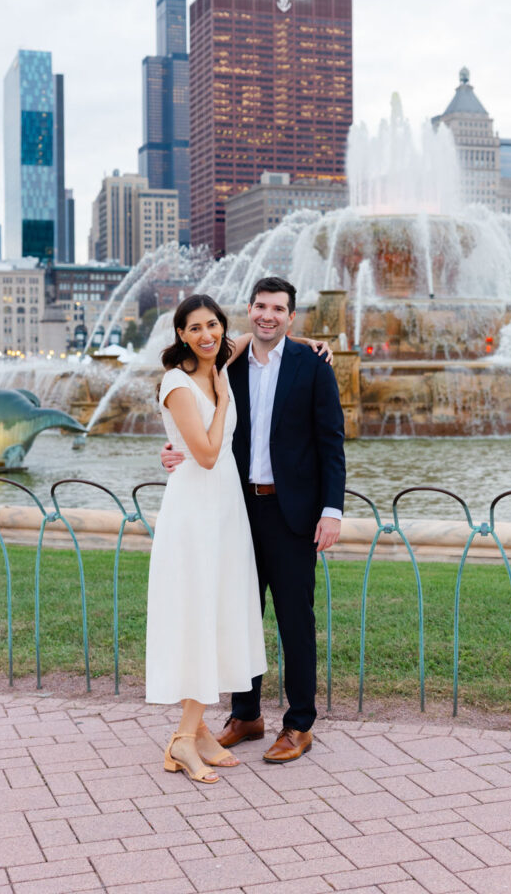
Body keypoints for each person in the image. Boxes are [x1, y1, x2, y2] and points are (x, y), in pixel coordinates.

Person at [148, 292, 332, 784]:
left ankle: (285, 725)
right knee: (218, 614)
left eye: (213, 326)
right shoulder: (209, 372)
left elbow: (329, 439)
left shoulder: (259, 361)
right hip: (218, 508)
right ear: (180, 334)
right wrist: (175, 447)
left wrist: (304, 340)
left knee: (264, 617)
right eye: (194, 328)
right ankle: (215, 727)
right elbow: (201, 444)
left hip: (258, 511)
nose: (205, 335)